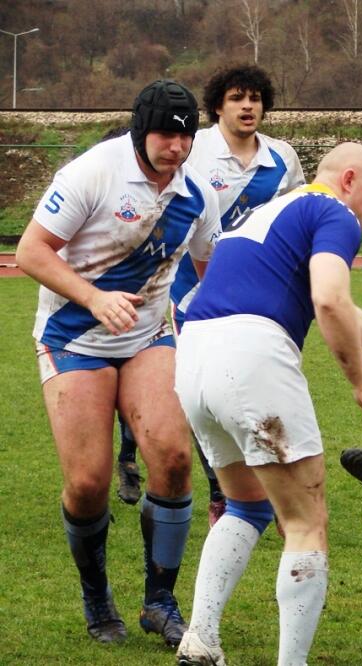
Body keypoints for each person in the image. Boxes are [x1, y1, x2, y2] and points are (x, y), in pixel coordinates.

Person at [171, 142, 362, 666]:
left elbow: (340, 307)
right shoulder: (334, 211)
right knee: (306, 523)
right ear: (349, 180)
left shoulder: (271, 209)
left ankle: (200, 639)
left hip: (194, 358)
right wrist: (361, 387)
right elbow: (329, 299)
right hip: (253, 354)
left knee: (245, 505)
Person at [15, 79, 219, 646]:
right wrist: (94, 297)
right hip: (73, 335)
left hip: (149, 333)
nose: (175, 148)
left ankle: (160, 599)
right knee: (87, 483)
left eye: (186, 137)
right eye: (164, 134)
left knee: (174, 459)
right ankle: (96, 594)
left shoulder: (198, 195)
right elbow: (29, 251)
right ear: (140, 128)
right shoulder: (93, 172)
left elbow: (213, 274)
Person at [113, 65, 307, 525]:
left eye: (256, 98)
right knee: (193, 387)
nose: (248, 106)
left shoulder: (281, 158)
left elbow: (298, 214)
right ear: (217, 105)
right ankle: (219, 492)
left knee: (239, 382)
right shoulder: (192, 151)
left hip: (253, 292)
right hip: (188, 290)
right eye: (238, 97)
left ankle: (263, 490)